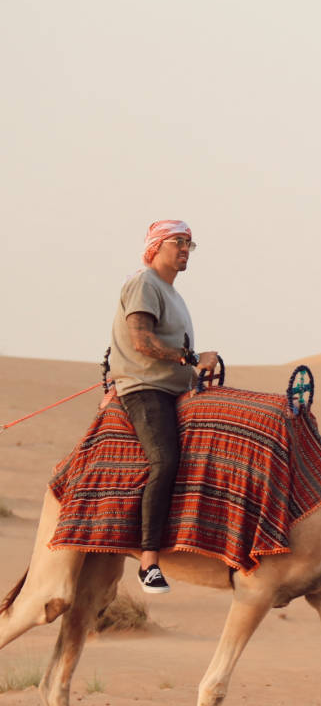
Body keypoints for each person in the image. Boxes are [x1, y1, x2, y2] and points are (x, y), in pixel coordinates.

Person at [107, 220, 220, 594]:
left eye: (190, 243)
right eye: (178, 241)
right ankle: (149, 562)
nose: (185, 248)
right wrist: (191, 357)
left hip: (176, 390)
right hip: (146, 388)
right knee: (164, 460)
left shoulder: (173, 294)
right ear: (156, 246)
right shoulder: (145, 284)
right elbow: (141, 340)